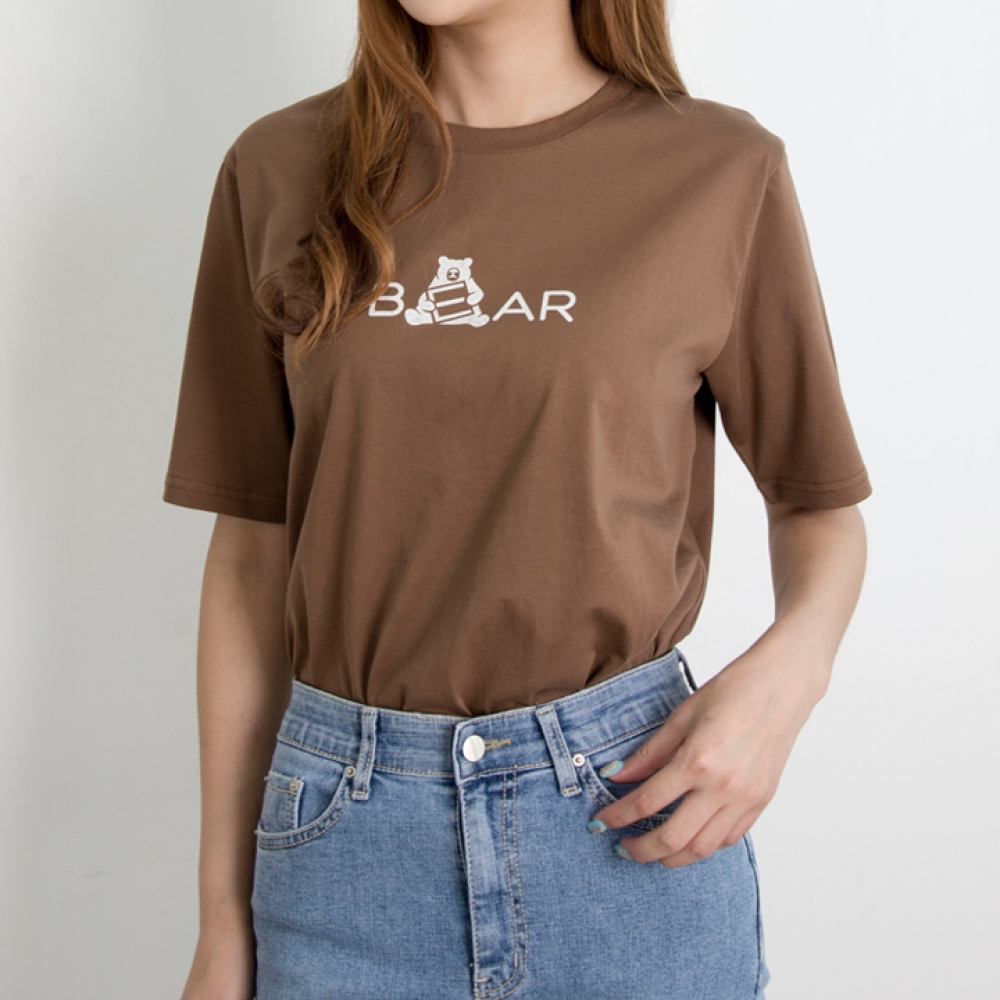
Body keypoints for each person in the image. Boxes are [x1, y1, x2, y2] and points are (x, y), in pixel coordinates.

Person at [163, 1, 872, 998]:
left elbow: (818, 504)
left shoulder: (718, 168)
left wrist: (789, 678)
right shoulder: (280, 166)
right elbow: (250, 554)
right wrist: (220, 920)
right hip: (342, 853)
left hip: (631, 819)